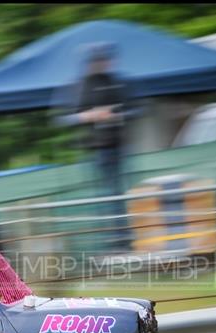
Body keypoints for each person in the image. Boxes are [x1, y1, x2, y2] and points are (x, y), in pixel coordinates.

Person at [76, 42, 132, 250]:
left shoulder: (118, 82)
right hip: (95, 149)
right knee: (101, 195)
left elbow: (135, 110)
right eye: (98, 60)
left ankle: (123, 241)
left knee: (120, 193)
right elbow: (69, 117)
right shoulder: (82, 85)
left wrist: (115, 115)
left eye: (105, 60)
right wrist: (91, 115)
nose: (103, 63)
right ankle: (107, 242)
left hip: (118, 145)